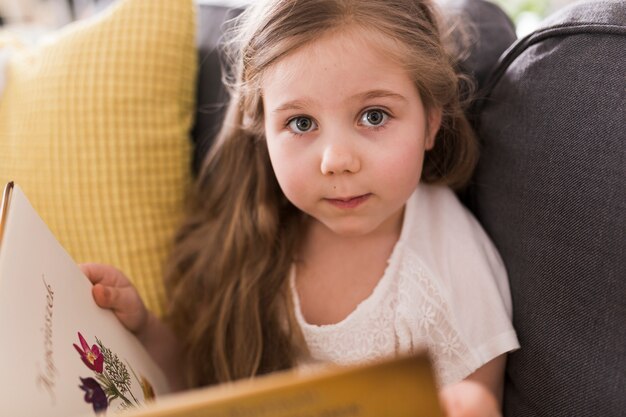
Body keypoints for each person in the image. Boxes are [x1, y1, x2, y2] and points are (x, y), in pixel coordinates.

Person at [81, 0, 520, 415]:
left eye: (373, 116)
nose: (336, 161)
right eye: (301, 123)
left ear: (431, 120)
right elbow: (207, 388)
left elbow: (476, 400)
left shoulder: (454, 273)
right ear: (263, 132)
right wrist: (144, 332)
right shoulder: (257, 229)